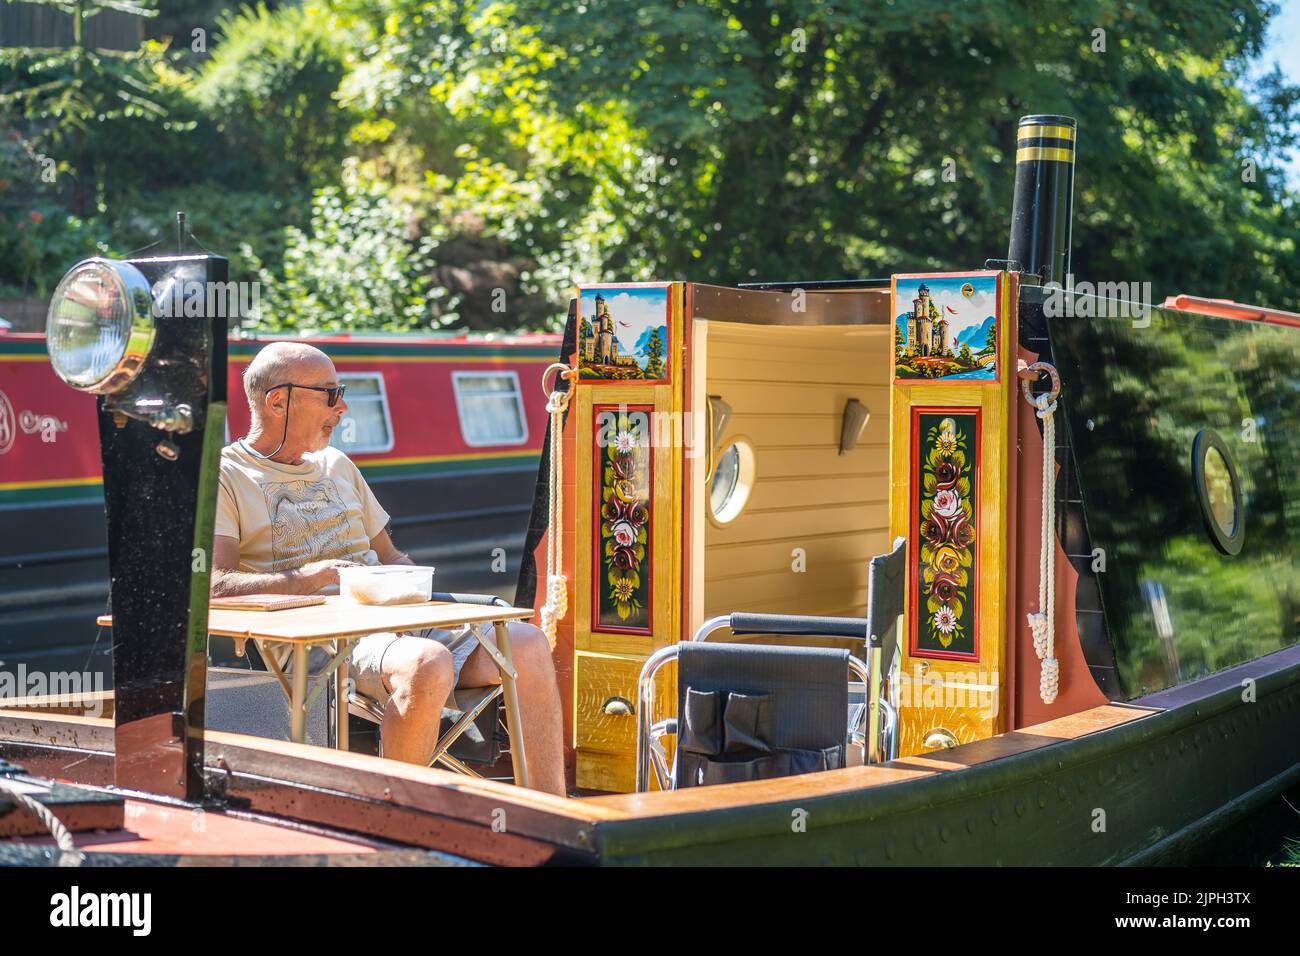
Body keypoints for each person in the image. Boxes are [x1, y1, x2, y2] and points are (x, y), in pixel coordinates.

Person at [210, 341, 565, 795]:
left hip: (393, 620)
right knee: (426, 663)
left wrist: (407, 580)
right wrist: (313, 577)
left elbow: (392, 557)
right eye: (330, 393)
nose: (343, 407)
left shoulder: (337, 464)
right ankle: (398, 817)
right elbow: (215, 585)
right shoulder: (226, 475)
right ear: (278, 400)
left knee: (528, 643)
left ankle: (552, 811)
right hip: (315, 641)